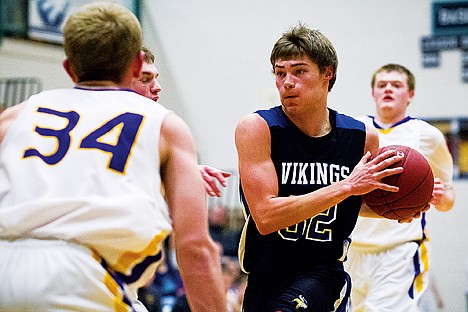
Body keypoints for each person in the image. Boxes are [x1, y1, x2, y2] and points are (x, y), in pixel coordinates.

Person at [0, 2, 226, 311]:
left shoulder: (16, 116)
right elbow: (195, 249)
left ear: (69, 68)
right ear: (136, 65)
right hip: (80, 276)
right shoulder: (163, 124)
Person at [234, 23, 419, 312]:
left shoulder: (361, 138)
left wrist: (395, 209)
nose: (287, 82)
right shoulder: (258, 128)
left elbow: (349, 203)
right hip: (265, 275)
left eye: (299, 71)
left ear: (326, 73)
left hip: (322, 274)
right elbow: (266, 216)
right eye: (280, 73)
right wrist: (347, 186)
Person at [344, 63, 455, 312]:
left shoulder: (427, 135)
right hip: (352, 249)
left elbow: (449, 198)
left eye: (396, 85)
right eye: (382, 85)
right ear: (373, 93)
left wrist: (439, 197)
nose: (388, 90)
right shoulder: (354, 130)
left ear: (410, 95)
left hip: (400, 250)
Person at [131, 46, 231, 197]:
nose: (157, 88)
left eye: (156, 78)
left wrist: (182, 171)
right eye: (145, 79)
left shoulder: (155, 127)